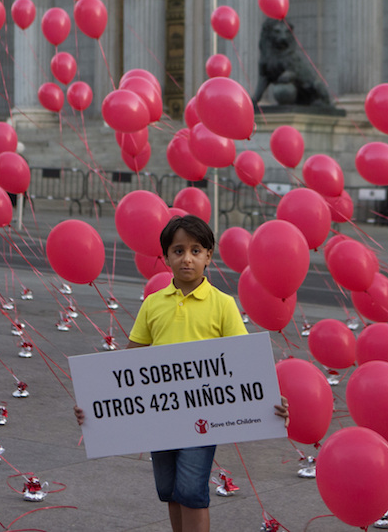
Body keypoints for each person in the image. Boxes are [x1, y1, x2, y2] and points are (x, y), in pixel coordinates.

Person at [75, 214, 288, 532]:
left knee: (191, 490)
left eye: (196, 250)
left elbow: (246, 365)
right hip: (161, 417)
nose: (187, 258)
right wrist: (95, 403)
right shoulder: (153, 303)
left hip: (204, 417)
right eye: (178, 251)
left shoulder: (222, 304)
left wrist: (271, 398)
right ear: (165, 258)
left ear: (208, 257)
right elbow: (129, 362)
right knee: (170, 490)